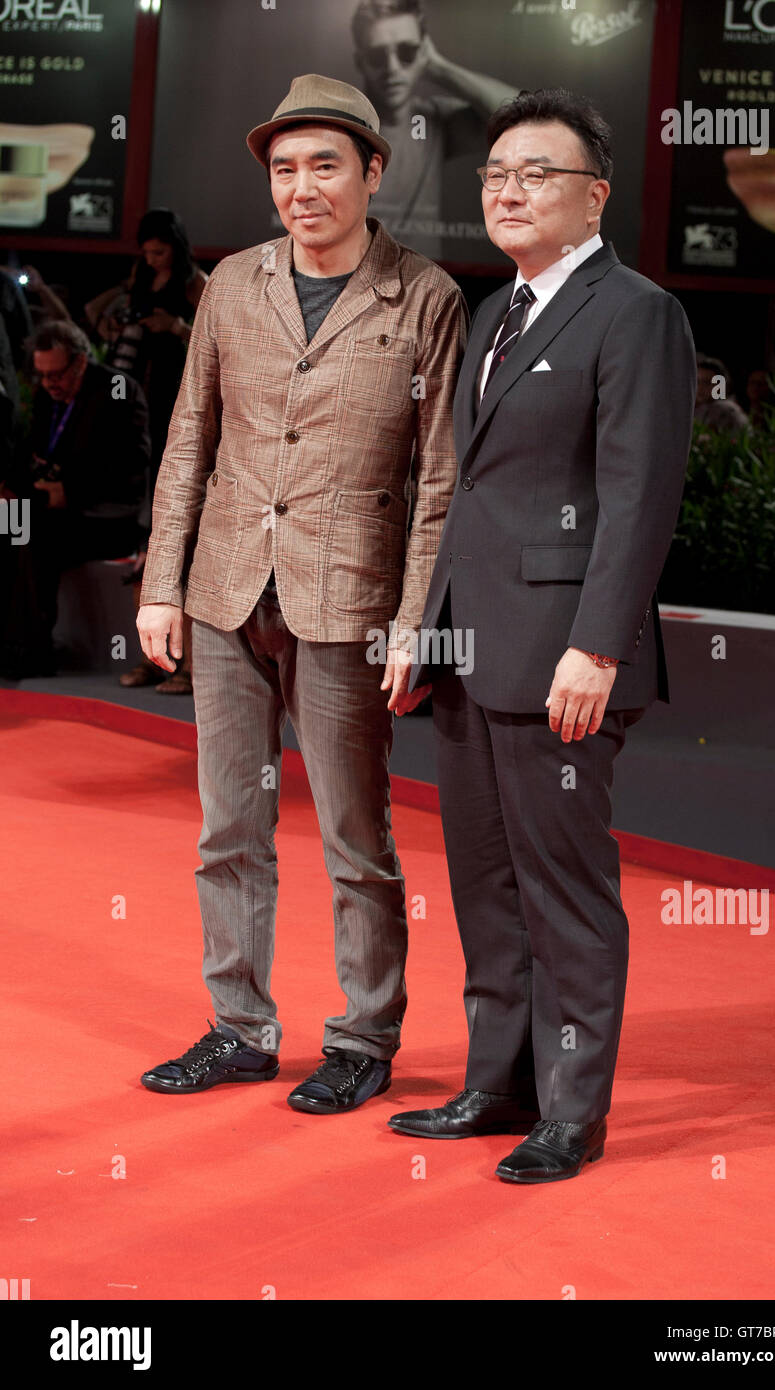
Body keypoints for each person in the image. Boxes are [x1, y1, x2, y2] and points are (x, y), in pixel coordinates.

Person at [137, 75, 466, 1112]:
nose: (302, 186)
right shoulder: (231, 283)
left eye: (325, 164)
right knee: (227, 827)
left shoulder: (426, 296)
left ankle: (363, 1035)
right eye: (284, 168)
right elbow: (189, 438)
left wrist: (417, 618)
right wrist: (160, 585)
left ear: (373, 172)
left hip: (349, 601)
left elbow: (441, 477)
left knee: (354, 838)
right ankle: (239, 1025)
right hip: (226, 591)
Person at [388, 87, 696, 1183]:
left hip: (564, 654)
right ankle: (497, 1082)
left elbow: (636, 494)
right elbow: (463, 492)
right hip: (472, 652)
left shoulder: (635, 312)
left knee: (564, 892)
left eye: (535, 173)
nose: (507, 190)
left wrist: (598, 644)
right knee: (484, 882)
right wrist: (425, 632)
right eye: (494, 176)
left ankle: (571, 1110)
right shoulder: (490, 313)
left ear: (594, 195)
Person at [85, 209, 208, 694]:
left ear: (176, 248)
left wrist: (174, 325)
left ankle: (184, 665)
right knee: (149, 512)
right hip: (136, 393)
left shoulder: (197, 281)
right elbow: (96, 312)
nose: (152, 258)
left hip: (178, 390)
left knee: (179, 513)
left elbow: (216, 339)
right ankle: (157, 660)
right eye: (147, 251)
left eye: (160, 251)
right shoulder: (138, 276)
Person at [13, 320, 149, 669]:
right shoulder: (47, 395)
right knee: (6, 523)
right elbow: (37, 452)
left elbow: (128, 472)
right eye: (43, 375)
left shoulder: (118, 389)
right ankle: (10, 640)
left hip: (108, 515)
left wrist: (68, 492)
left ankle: (35, 651)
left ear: (81, 362)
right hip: (55, 507)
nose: (49, 384)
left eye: (57, 374)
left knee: (32, 531)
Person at [352, 0, 516, 259]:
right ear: (360, 61)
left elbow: (523, 114)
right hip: (354, 281)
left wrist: (437, 66)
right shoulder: (343, 127)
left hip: (424, 286)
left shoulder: (435, 119)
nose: (393, 68)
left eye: (407, 52)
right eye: (377, 56)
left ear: (422, 53)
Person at [694, 355, 748, 434]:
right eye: (698, 382)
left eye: (707, 382)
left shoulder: (726, 409)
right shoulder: (698, 409)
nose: (700, 387)